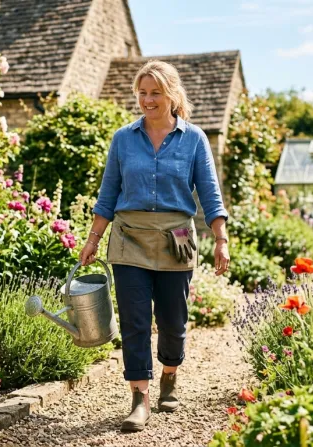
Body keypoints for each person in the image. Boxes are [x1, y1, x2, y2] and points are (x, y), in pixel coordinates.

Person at [78, 60, 230, 432]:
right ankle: (139, 397)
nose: (147, 100)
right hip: (129, 237)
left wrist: (221, 240)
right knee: (134, 320)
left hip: (176, 239)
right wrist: (93, 239)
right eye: (142, 93)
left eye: (155, 93)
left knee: (173, 321)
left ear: (172, 95)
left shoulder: (194, 139)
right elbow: (108, 194)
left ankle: (170, 374)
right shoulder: (123, 139)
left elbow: (210, 194)